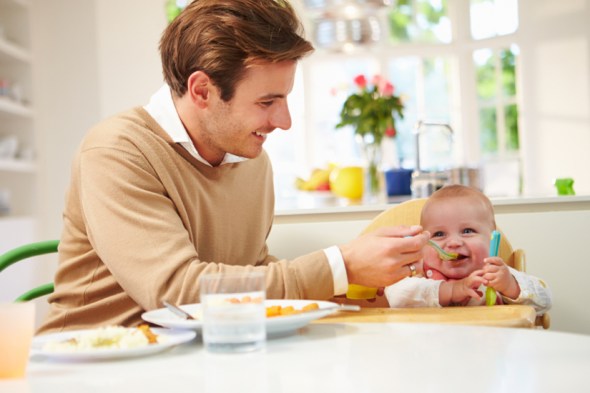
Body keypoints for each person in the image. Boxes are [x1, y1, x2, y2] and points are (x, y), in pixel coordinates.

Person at [37, 0, 429, 334]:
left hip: (199, 359)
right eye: (267, 102)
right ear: (202, 91)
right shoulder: (117, 151)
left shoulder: (251, 160)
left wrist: (355, 287)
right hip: (92, 367)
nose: (284, 121)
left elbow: (249, 274)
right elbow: (179, 291)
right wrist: (339, 266)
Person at [384, 185, 552, 314]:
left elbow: (544, 301)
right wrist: (450, 290)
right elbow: (396, 297)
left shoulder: (495, 275)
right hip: (431, 354)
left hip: (486, 353)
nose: (454, 243)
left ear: (492, 238)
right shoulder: (418, 274)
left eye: (467, 231)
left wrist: (510, 286)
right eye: (439, 234)